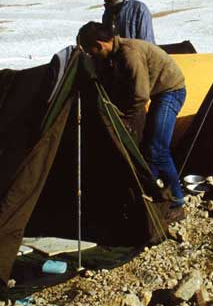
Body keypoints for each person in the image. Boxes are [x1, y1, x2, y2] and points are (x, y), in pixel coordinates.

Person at [77, 22, 187, 222]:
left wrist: (124, 116)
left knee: (157, 149)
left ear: (100, 45)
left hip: (171, 91)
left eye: (92, 52)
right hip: (157, 92)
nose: (94, 57)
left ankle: (178, 202)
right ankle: (152, 193)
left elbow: (140, 95)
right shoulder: (114, 54)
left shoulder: (130, 54)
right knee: (149, 147)